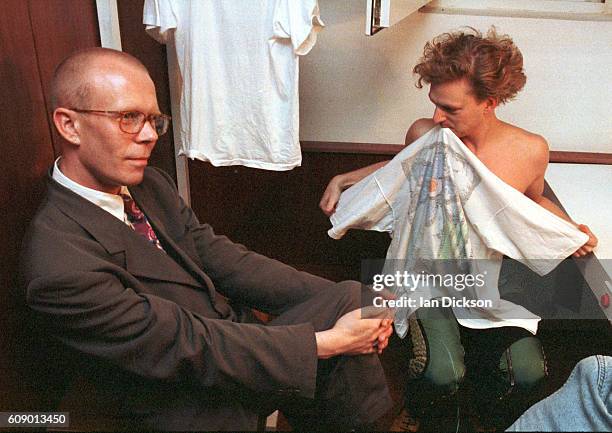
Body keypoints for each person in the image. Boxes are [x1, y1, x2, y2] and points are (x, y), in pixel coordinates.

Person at [19, 47, 394, 431]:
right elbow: (184, 343)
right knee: (338, 345)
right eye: (128, 118)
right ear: (69, 125)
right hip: (178, 396)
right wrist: (327, 342)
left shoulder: (148, 185)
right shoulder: (58, 264)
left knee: (355, 299)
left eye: (153, 120)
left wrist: (355, 311)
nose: (149, 136)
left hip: (227, 341)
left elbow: (221, 257)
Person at [319, 28, 598, 429]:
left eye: (450, 109)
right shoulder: (427, 136)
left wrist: (570, 230)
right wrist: (346, 178)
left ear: (490, 102)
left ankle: (478, 411)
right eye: (434, 104)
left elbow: (531, 200)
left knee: (527, 372)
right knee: (440, 372)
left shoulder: (528, 151)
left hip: (483, 285)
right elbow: (402, 171)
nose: (436, 118)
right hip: (423, 279)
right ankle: (421, 413)